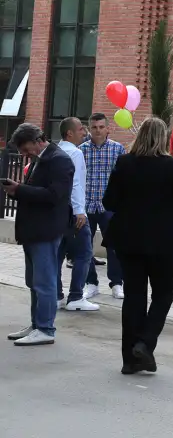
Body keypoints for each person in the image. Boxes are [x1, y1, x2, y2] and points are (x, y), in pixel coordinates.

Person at [97, 117, 173, 373]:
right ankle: (145, 342)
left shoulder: (125, 162)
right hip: (161, 241)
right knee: (164, 292)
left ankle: (129, 360)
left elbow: (109, 202)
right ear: (163, 138)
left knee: (134, 295)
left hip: (128, 239)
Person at [4, 123, 74, 347]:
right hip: (34, 230)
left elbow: (54, 195)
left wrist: (20, 189)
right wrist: (16, 191)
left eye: (26, 149)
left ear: (37, 141)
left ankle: (45, 328)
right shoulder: (41, 158)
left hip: (46, 230)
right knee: (34, 281)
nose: (25, 154)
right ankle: (37, 324)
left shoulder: (59, 160)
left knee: (44, 281)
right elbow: (36, 192)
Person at [81, 112, 125, 300]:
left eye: (101, 127)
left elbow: (124, 179)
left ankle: (117, 283)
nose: (98, 131)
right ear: (89, 129)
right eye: (94, 127)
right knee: (85, 247)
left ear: (108, 128)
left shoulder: (118, 149)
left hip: (109, 207)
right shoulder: (81, 150)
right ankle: (91, 283)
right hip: (87, 206)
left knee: (114, 246)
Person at [56, 117, 97, 312]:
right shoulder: (75, 153)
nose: (85, 132)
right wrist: (80, 210)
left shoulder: (56, 150)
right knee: (84, 253)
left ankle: (56, 295)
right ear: (69, 133)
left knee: (58, 253)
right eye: (81, 129)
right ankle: (76, 296)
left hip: (58, 211)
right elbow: (76, 183)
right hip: (74, 212)